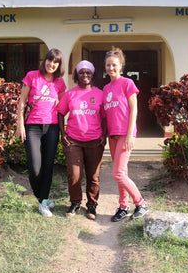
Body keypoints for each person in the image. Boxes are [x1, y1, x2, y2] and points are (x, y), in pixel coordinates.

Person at [16, 48, 66, 217]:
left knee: (48, 166)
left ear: (59, 65)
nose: (51, 64)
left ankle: (43, 201)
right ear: (45, 60)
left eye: (55, 62)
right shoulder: (32, 76)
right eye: (49, 60)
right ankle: (41, 198)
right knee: (35, 168)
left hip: (52, 127)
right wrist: (20, 125)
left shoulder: (59, 82)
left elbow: (63, 107)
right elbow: (22, 102)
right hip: (33, 127)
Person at [103, 46, 149, 222]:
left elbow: (134, 109)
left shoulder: (127, 84)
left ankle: (141, 203)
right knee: (121, 171)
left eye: (114, 65)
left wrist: (130, 134)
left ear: (121, 65)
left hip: (125, 134)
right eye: (108, 65)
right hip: (113, 135)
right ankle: (124, 207)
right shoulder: (106, 88)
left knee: (118, 173)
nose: (111, 68)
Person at [57, 60, 106, 220]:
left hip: (94, 141)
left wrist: (103, 136)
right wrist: (63, 134)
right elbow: (60, 113)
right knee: (74, 175)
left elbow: (105, 117)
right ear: (77, 75)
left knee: (93, 176)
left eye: (88, 72)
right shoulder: (70, 94)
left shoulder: (100, 94)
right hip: (73, 140)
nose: (85, 75)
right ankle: (75, 203)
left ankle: (92, 206)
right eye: (81, 72)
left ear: (93, 75)